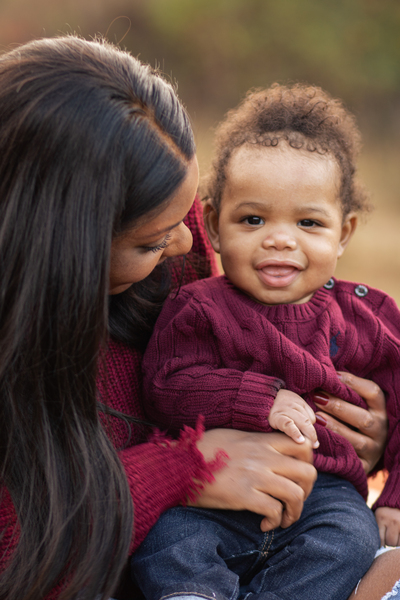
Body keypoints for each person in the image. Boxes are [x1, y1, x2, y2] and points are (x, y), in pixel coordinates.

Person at [0, 36, 390, 600]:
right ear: (65, 248)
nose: (188, 243)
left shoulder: (180, 251)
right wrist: (180, 469)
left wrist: (361, 442)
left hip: (281, 525)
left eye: (187, 214)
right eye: (154, 239)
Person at [135, 84, 400, 600]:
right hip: (212, 490)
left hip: (322, 494)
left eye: (308, 222)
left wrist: (394, 498)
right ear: (213, 225)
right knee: (167, 539)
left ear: (342, 233)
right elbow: (164, 387)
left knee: (350, 539)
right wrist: (260, 400)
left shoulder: (369, 316)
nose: (280, 238)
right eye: (253, 219)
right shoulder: (198, 307)